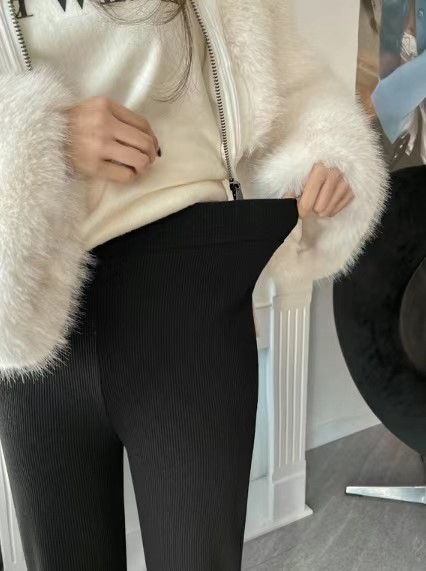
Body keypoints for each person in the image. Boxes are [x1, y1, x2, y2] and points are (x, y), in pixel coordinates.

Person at [0, 1, 387, 570]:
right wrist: (37, 134)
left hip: (188, 297)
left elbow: (295, 89)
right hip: (34, 313)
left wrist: (326, 155)